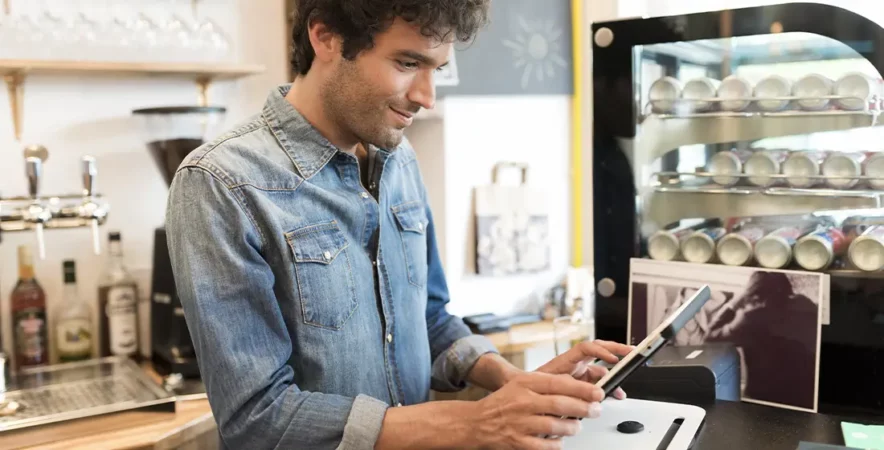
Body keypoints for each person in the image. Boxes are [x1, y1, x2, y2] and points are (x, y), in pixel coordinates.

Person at [165, 1, 633, 449]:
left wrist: (516, 383)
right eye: (408, 63)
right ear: (326, 37)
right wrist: (478, 420)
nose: (426, 97)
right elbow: (257, 420)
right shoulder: (220, 183)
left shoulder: (399, 159)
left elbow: (428, 320)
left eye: (437, 70)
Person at [707, 271, 818, 410]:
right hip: (805, 396)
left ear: (753, 291)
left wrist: (733, 304)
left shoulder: (750, 318)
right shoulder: (806, 304)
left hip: (764, 398)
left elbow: (710, 338)